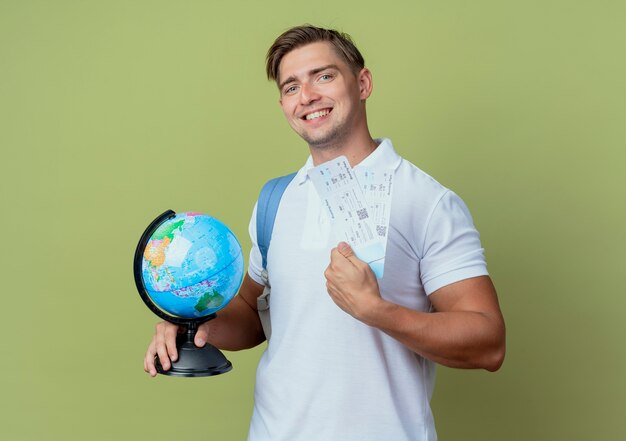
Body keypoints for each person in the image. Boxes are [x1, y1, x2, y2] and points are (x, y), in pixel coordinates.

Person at [144, 25, 506, 441]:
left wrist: (378, 311)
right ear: (283, 104)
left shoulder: (426, 200)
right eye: (292, 86)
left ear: (363, 83)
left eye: (324, 76)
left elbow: (488, 342)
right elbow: (251, 314)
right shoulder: (274, 200)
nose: (308, 96)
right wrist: (193, 319)